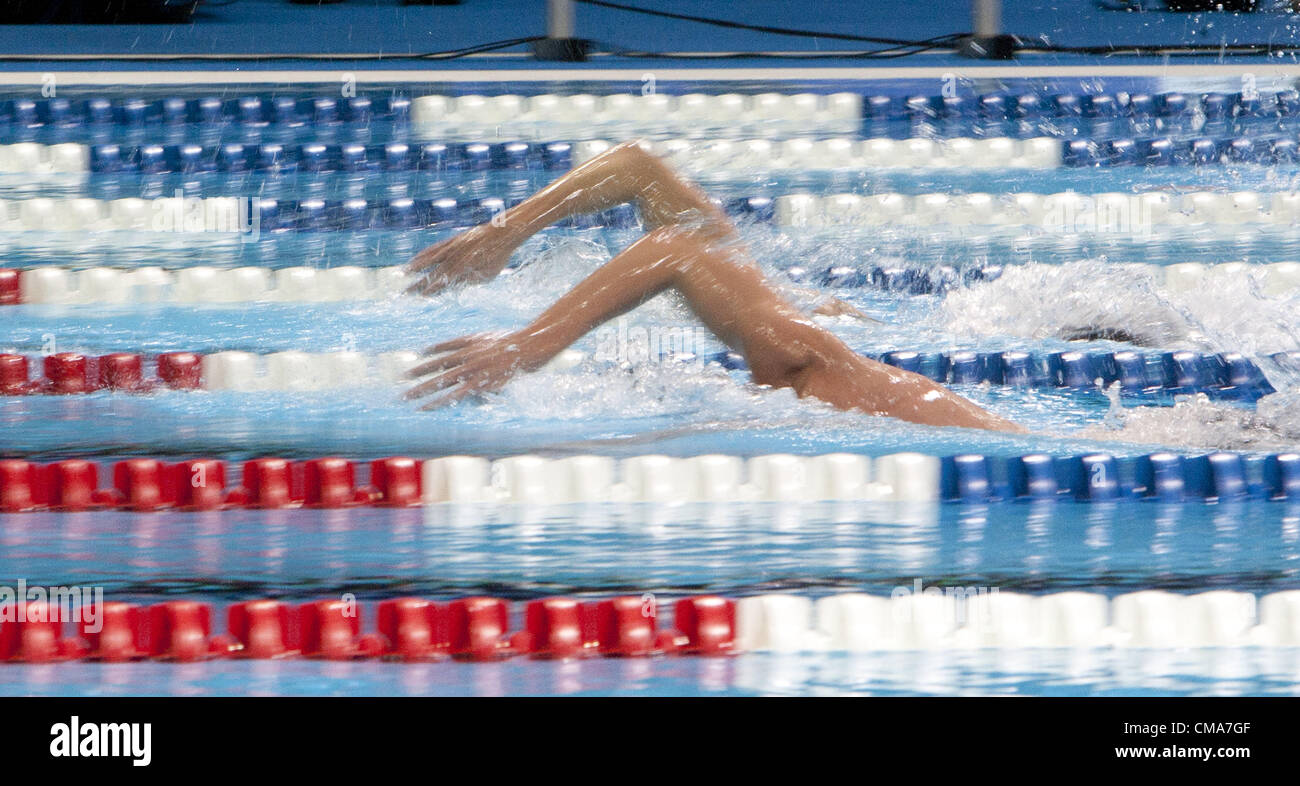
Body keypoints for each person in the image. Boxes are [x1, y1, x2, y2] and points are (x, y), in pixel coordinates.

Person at [403, 141, 1023, 433]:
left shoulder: (809, 352)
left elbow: (673, 246)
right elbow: (639, 170)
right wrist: (503, 233)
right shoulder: (794, 329)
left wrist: (530, 342)